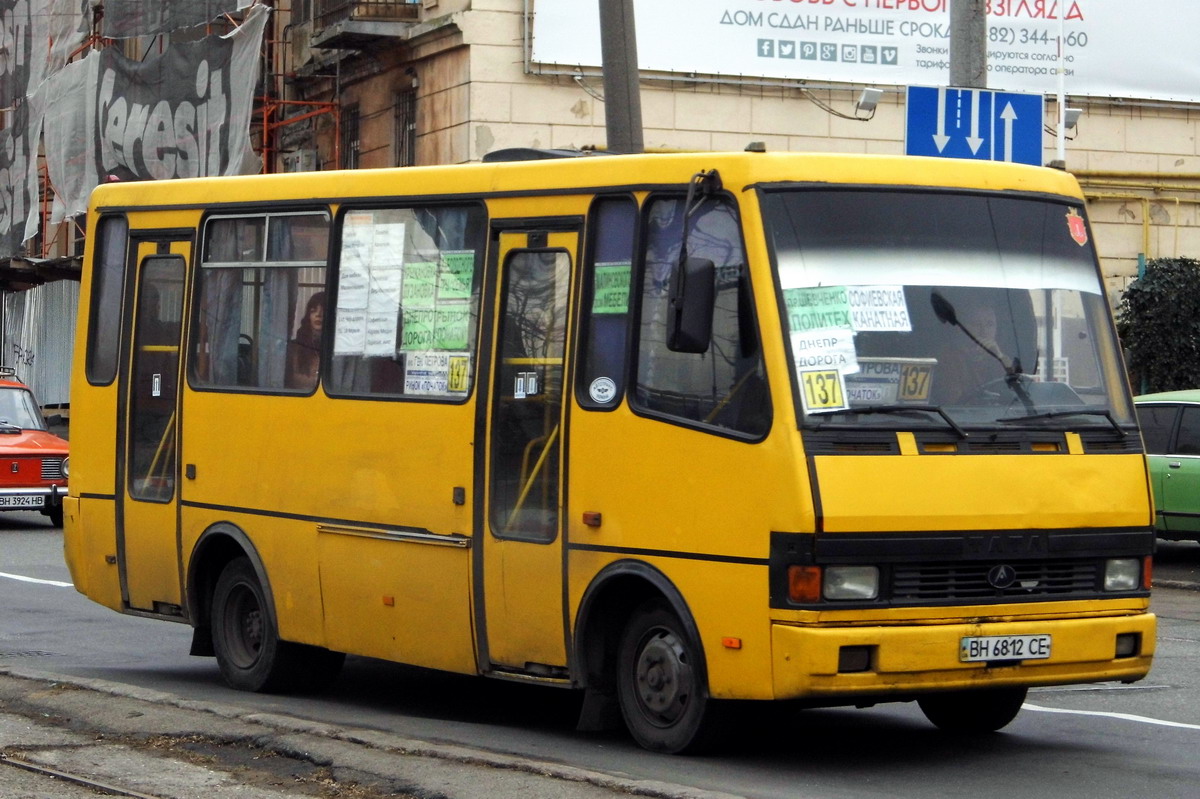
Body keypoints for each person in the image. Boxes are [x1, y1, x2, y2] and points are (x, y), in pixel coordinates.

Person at [934, 296, 1018, 404]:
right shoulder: (948, 357)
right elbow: (952, 402)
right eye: (976, 324)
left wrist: (999, 358)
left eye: (990, 324)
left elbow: (1017, 394)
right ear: (963, 328)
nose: (984, 332)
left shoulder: (999, 358)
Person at [286, 291, 324, 389]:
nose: (318, 315)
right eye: (313, 311)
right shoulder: (297, 346)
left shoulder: (337, 347)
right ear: (308, 316)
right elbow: (292, 379)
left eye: (323, 311)